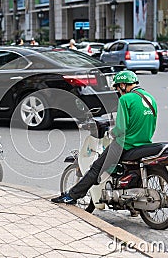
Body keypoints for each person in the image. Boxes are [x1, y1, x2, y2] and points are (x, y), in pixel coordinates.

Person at [51, 70, 157, 207]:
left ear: (123, 85)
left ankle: (71, 196)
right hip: (145, 144)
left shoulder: (126, 99)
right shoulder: (150, 98)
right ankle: (133, 208)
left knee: (96, 168)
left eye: (118, 87)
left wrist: (112, 134)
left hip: (126, 144)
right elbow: (152, 124)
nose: (119, 91)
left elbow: (121, 128)